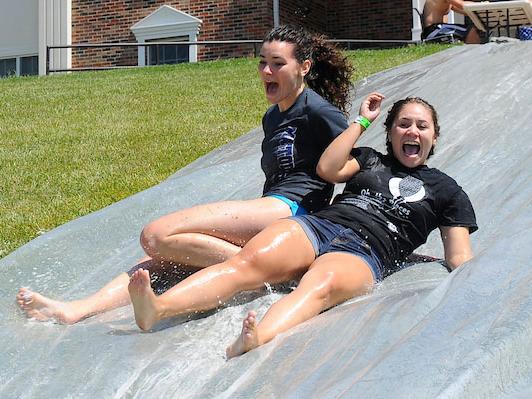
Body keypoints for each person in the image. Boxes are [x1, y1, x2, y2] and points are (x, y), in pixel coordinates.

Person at [17, 25, 354, 324]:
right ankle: (77, 309)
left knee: (157, 235)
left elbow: (354, 161)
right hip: (269, 208)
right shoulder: (273, 117)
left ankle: (261, 271)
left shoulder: (319, 111)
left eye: (278, 63)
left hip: (293, 210)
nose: (267, 71)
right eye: (263, 62)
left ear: (304, 67)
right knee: (156, 257)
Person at [123, 92, 478, 359]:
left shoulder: (448, 190)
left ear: (434, 136)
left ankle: (258, 336)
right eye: (403, 123)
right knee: (246, 263)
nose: (412, 131)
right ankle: (159, 308)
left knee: (317, 288)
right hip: (319, 226)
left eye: (421, 125)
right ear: (390, 132)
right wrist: (361, 122)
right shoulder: (370, 159)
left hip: (366, 251)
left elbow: (460, 257)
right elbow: (328, 169)